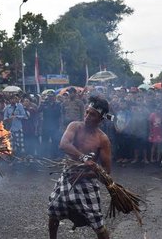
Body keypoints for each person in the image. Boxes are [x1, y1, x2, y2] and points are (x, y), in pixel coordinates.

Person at [48, 96, 112, 239]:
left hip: (87, 181)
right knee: (54, 211)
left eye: (92, 114)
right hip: (68, 175)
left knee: (98, 223)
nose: (87, 117)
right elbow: (63, 144)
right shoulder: (74, 126)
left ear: (101, 119)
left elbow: (107, 171)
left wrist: (85, 175)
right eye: (87, 112)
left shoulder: (103, 139)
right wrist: (83, 158)